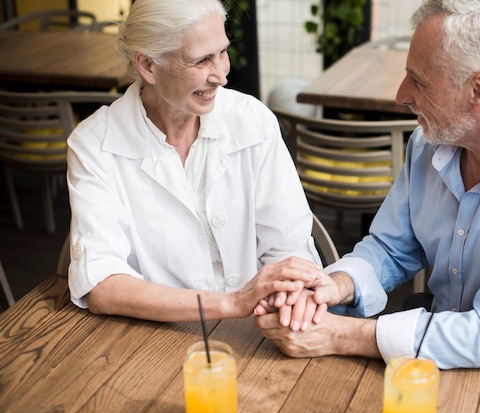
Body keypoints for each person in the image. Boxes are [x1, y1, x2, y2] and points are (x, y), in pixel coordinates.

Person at [255, 0, 480, 369]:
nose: (401, 95)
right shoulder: (428, 143)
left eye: (419, 81)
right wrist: (333, 285)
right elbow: (391, 248)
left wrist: (337, 334)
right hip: (432, 347)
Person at [66, 0, 323, 322]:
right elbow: (101, 284)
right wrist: (230, 303)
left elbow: (288, 248)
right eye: (202, 60)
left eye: (222, 53)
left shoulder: (252, 120)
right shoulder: (95, 143)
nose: (221, 76)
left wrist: (288, 301)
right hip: (152, 335)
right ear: (148, 66)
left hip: (261, 323)